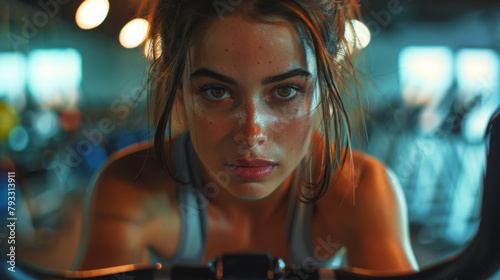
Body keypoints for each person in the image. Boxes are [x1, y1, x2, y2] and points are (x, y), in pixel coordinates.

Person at [73, 0, 419, 275]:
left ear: (325, 90)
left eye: (285, 91)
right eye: (215, 91)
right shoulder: (131, 188)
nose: (251, 134)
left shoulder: (361, 188)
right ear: (178, 90)